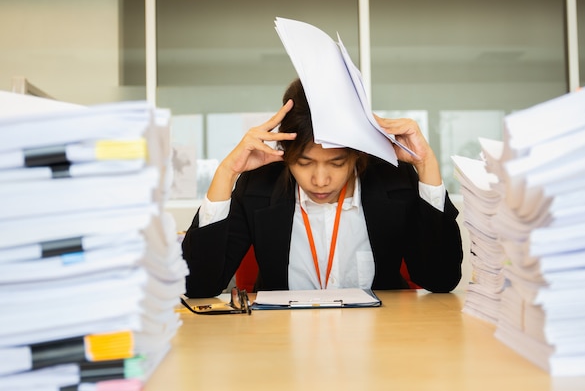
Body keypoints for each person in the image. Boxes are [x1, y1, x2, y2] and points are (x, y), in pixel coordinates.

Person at [182, 78, 463, 298]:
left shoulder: (393, 181)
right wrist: (226, 173)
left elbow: (441, 280)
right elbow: (198, 285)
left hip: (381, 342)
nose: (319, 180)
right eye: (304, 163)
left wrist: (426, 166)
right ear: (285, 153)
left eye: (337, 163)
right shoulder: (260, 186)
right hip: (281, 344)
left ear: (358, 154)